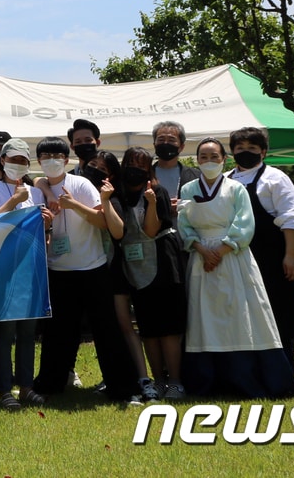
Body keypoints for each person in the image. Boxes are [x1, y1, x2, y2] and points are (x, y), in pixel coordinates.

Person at [178, 137, 294, 398]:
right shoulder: (187, 189)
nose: (209, 161)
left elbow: (245, 224)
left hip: (233, 256)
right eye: (204, 156)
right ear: (197, 160)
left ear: (224, 159)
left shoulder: (235, 188)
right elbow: (183, 224)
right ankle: (206, 381)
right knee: (203, 316)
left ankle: (248, 379)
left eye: (214, 156)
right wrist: (200, 249)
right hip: (200, 259)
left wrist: (220, 251)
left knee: (240, 314)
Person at [29, 137, 138, 403]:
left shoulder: (81, 184)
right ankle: (50, 384)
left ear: (67, 160)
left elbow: (103, 221)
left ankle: (123, 388)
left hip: (92, 268)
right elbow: (38, 183)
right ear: (39, 161)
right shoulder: (38, 187)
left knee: (106, 331)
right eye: (45, 157)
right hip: (58, 270)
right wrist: (44, 187)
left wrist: (73, 205)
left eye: (57, 156)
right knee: (57, 333)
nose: (51, 161)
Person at [97, 148, 186, 401]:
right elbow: (119, 231)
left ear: (149, 169)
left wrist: (152, 203)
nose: (135, 168)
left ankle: (176, 381)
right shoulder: (118, 193)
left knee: (168, 327)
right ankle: (158, 382)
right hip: (135, 267)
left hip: (163, 262)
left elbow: (150, 230)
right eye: (131, 163)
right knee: (148, 328)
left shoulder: (156, 192)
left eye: (141, 165)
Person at [228, 126, 294, 371]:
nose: (245, 152)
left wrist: (291, 256)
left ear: (264, 152)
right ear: (232, 152)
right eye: (240, 148)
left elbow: (290, 219)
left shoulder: (276, 178)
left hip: (272, 257)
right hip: (237, 258)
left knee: (277, 314)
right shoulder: (226, 180)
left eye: (252, 148)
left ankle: (281, 373)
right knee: (243, 316)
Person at [0, 138, 48, 409]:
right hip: (2, 267)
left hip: (30, 267)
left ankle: (26, 386)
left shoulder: (36, 192)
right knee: (4, 332)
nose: (18, 165)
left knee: (27, 331)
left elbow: (41, 232)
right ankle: (4, 390)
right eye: (13, 160)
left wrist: (48, 223)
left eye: (23, 161)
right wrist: (14, 201)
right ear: (2, 161)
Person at [152, 120, 199, 198]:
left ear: (181, 147)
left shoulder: (196, 176)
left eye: (171, 140)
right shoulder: (145, 175)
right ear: (154, 145)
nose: (165, 143)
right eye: (161, 140)